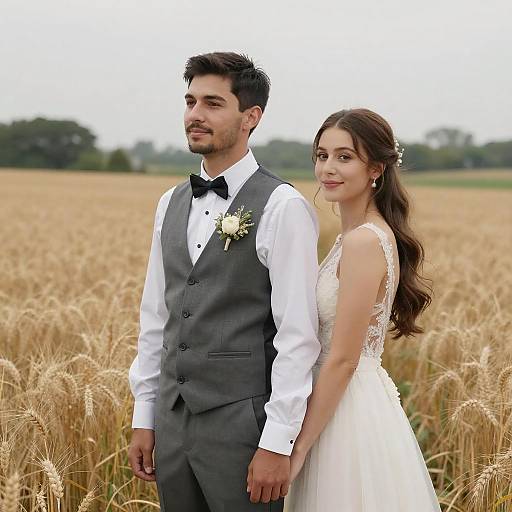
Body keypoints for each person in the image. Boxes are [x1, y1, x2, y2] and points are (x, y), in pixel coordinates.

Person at [127, 51, 321, 512]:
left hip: (244, 427)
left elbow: (298, 337)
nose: (195, 115)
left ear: (251, 117)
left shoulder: (282, 207)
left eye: (212, 103)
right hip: (172, 426)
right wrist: (144, 415)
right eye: (190, 101)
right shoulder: (168, 202)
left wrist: (276, 441)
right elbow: (157, 315)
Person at [283, 109, 441, 511]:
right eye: (321, 156)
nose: (328, 169)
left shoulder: (364, 241)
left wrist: (298, 446)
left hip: (343, 412)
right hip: (333, 400)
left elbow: (343, 358)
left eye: (344, 157)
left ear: (375, 168)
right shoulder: (352, 235)